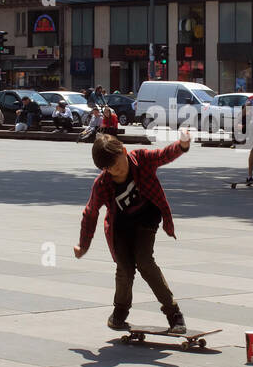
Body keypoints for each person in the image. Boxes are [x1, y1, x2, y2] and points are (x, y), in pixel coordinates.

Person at [74, 130, 192, 333]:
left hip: (147, 217)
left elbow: (163, 155)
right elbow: (90, 213)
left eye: (119, 164)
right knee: (125, 269)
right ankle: (120, 311)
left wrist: (181, 146)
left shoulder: (142, 160)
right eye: (110, 169)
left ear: (124, 151)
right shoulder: (102, 184)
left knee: (145, 262)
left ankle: (174, 314)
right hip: (121, 225)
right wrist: (83, 244)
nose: (117, 171)